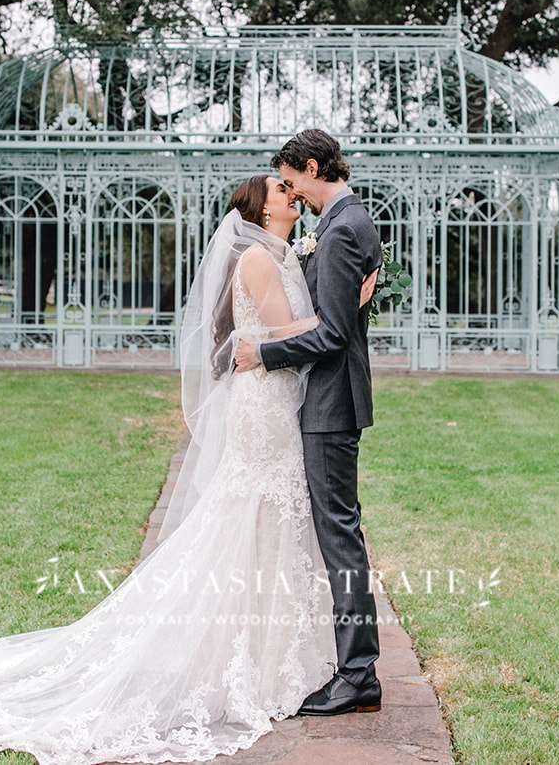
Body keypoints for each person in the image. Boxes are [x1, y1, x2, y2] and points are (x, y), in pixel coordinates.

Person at [0, 174, 375, 763]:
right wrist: (346, 309)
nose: (291, 195)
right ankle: (246, 656)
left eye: (291, 186)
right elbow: (288, 331)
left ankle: (270, 649)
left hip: (278, 403)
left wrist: (333, 303)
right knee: (256, 515)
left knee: (271, 520)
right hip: (265, 410)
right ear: (259, 208)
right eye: (281, 190)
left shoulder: (278, 255)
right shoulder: (257, 258)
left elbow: (291, 325)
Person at [233, 129, 384, 717]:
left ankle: (357, 675)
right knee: (336, 533)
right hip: (320, 399)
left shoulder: (344, 227)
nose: (292, 192)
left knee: (339, 537)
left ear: (312, 166)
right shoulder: (343, 224)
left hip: (329, 403)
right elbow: (337, 317)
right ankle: (352, 667)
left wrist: (263, 354)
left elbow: (331, 333)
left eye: (292, 180)